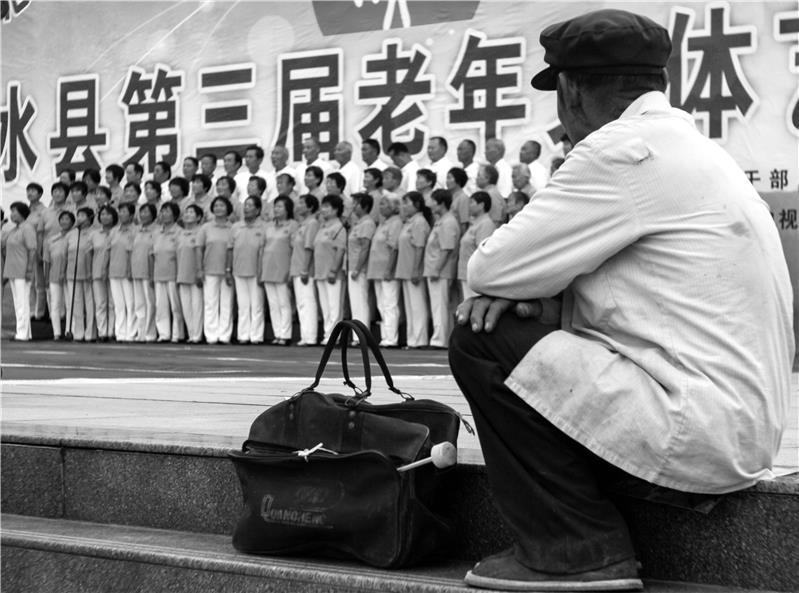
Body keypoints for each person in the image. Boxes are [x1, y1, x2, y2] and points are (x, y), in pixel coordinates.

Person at [449, 9, 795, 593]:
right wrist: (544, 302)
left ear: (570, 90)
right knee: (519, 321)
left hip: (693, 429)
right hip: (738, 432)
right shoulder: (696, 150)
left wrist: (525, 295)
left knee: (482, 338)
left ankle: (573, 549)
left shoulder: (616, 151)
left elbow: (490, 266)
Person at [424, 189, 460, 349]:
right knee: (438, 305)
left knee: (439, 306)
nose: (430, 204)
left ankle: (440, 340)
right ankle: (442, 338)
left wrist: (436, 269)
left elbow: (447, 249)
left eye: (433, 201)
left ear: (441, 203)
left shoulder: (448, 222)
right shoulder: (442, 221)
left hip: (440, 270)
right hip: (436, 269)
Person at [227, 195, 266, 344]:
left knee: (257, 305)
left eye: (250, 206)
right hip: (239, 270)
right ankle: (243, 335)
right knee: (243, 305)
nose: (246, 208)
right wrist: (228, 269)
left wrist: (261, 271)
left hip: (256, 270)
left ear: (258, 210)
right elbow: (230, 248)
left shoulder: (264, 227)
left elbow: (264, 250)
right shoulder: (236, 227)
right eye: (245, 205)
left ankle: (256, 336)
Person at [396, 191, 431, 349]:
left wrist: (416, 269)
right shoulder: (409, 222)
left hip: (413, 269)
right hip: (405, 269)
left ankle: (420, 338)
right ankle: (412, 339)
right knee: (410, 307)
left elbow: (419, 247)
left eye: (407, 203)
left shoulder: (419, 222)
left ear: (416, 205)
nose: (404, 206)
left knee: (417, 305)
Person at [260, 195, 297, 345]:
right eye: (275, 206)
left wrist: (291, 270)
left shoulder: (292, 225)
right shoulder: (268, 226)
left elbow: (294, 249)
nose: (276, 209)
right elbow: (263, 248)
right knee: (273, 304)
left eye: (280, 206)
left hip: (283, 268)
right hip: (268, 268)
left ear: (288, 209)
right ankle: (277, 334)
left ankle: (285, 334)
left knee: (284, 303)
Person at [366, 195, 403, 347]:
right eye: (380, 204)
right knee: (382, 304)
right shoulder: (383, 223)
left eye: (384, 204)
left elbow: (394, 248)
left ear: (394, 207)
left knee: (390, 304)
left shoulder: (396, 223)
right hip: (376, 270)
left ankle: (391, 337)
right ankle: (385, 336)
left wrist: (389, 269)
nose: (381, 207)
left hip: (387, 270)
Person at [198, 197, 234, 344]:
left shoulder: (233, 228)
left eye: (222, 205)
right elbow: (199, 249)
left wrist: (229, 269)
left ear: (228, 209)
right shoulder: (206, 228)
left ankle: (224, 335)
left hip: (227, 270)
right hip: (209, 269)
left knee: (226, 303)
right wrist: (199, 269)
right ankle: (211, 335)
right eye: (216, 205)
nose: (219, 208)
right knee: (210, 303)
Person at [313, 194, 347, 345]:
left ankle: (335, 336)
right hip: (320, 271)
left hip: (333, 272)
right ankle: (328, 334)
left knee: (334, 306)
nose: (323, 209)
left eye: (327, 206)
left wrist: (334, 270)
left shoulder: (338, 227)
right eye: (323, 206)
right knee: (325, 306)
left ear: (335, 210)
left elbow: (340, 250)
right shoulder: (322, 227)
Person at [2, 202, 37, 340]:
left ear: (22, 213)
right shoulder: (14, 230)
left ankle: (22, 333)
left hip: (22, 270)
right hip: (12, 270)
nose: (12, 214)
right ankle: (24, 332)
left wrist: (29, 269)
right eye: (11, 211)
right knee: (18, 303)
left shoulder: (27, 228)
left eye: (14, 211)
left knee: (22, 303)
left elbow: (32, 250)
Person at [290, 194, 320, 346]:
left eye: (302, 203)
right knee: (301, 303)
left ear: (310, 207)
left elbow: (309, 247)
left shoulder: (312, 223)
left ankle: (310, 336)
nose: (298, 205)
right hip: (297, 267)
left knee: (307, 302)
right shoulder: (302, 224)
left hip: (305, 268)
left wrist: (305, 269)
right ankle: (305, 335)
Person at [153, 202, 184, 342]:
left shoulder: (179, 232)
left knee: (175, 306)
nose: (164, 214)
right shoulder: (156, 233)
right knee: (160, 306)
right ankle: (163, 334)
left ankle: (177, 334)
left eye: (167, 211)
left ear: (175, 215)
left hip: (173, 273)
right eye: (162, 211)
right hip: (158, 273)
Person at [347, 192, 377, 339]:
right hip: (352, 266)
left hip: (359, 269)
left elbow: (365, 247)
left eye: (356, 203)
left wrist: (358, 268)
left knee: (360, 301)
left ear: (364, 206)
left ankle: (362, 335)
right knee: (356, 302)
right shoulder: (358, 223)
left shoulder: (367, 223)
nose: (353, 206)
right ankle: (357, 335)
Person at [65, 207, 96, 341]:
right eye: (78, 216)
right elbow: (66, 254)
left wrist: (90, 271)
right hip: (72, 273)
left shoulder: (94, 233)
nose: (79, 218)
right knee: (76, 304)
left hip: (88, 273)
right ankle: (78, 333)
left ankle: (90, 333)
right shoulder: (72, 234)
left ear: (90, 218)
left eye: (83, 216)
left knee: (90, 304)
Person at [43, 211, 74, 340]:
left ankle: (69, 331)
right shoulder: (51, 239)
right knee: (54, 304)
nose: (64, 221)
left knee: (69, 304)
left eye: (67, 219)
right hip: (54, 275)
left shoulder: (74, 237)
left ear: (72, 222)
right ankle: (56, 332)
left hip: (69, 276)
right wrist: (46, 277)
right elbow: (47, 260)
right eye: (62, 219)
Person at [108, 203, 137, 342]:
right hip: (114, 270)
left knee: (130, 304)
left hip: (127, 271)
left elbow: (132, 251)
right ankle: (120, 333)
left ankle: (131, 333)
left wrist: (130, 269)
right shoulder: (114, 231)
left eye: (124, 211)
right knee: (119, 305)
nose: (121, 214)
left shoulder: (135, 230)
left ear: (131, 215)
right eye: (120, 211)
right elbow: (109, 250)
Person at [457, 191, 495, 300]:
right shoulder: (475, 223)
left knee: (474, 303)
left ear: (481, 205)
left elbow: (482, 250)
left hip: (476, 274)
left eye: (472, 202)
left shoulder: (485, 223)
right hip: (467, 272)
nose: (469, 206)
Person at [176, 204, 204, 344]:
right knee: (186, 307)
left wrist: (200, 271)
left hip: (195, 274)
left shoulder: (201, 232)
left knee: (197, 306)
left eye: (191, 212)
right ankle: (191, 333)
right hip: (182, 274)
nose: (187, 214)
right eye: (186, 212)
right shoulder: (179, 234)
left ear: (198, 217)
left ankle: (197, 335)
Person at [131, 203, 158, 342]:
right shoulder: (136, 231)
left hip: (148, 271)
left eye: (147, 212)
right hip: (136, 271)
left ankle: (150, 333)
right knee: (139, 304)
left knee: (150, 303)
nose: (143, 215)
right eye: (141, 212)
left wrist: (153, 274)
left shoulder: (156, 231)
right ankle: (141, 332)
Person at [90, 205, 117, 342]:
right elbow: (89, 253)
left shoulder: (117, 232)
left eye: (108, 214)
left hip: (114, 271)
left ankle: (112, 331)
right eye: (102, 214)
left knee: (112, 303)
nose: (105, 217)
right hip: (97, 271)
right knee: (100, 303)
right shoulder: (94, 234)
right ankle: (102, 332)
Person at [446, 167, 471, 234]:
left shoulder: (463, 198)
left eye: (449, 178)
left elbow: (464, 222)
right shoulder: (447, 195)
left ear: (458, 180)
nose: (447, 181)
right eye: (447, 178)